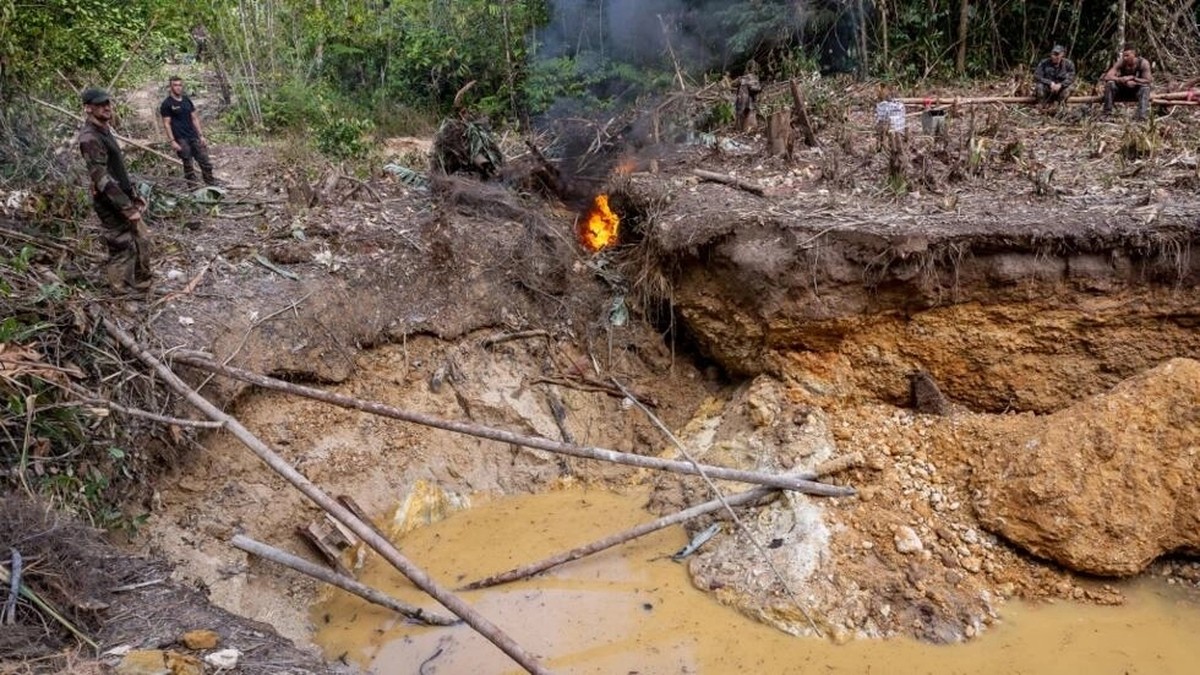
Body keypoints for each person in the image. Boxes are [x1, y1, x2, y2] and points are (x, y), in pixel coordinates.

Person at [77, 88, 152, 292]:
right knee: (121, 246)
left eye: (108, 103)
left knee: (141, 239)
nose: (107, 107)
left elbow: (115, 169)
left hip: (122, 196)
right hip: (110, 202)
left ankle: (140, 283)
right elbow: (101, 178)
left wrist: (133, 195)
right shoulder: (89, 138)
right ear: (88, 108)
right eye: (100, 104)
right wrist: (127, 208)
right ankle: (121, 290)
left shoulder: (104, 130)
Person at [159, 76, 217, 186]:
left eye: (180, 85)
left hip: (193, 135)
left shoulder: (186, 100)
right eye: (175, 85)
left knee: (204, 160)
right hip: (180, 138)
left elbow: (194, 118)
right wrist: (172, 141)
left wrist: (201, 135)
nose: (178, 87)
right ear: (170, 87)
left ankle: (211, 183)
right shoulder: (167, 104)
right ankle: (193, 187)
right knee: (188, 163)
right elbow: (166, 124)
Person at [1102, 45, 1152, 120]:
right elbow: (1107, 76)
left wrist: (1134, 79)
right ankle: (1107, 114)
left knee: (1145, 88)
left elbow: (1148, 80)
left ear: (1133, 54)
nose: (1125, 58)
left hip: (1136, 91)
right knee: (1110, 84)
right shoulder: (1121, 62)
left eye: (1127, 56)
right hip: (1122, 90)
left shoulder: (1143, 63)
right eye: (1124, 56)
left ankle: (1141, 116)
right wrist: (1121, 79)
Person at [1033, 45, 1075, 111]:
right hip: (1047, 88)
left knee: (1069, 88)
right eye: (1052, 54)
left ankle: (1058, 105)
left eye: (1056, 54)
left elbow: (1071, 78)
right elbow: (1037, 76)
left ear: (1062, 55)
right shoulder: (1044, 63)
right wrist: (1050, 83)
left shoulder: (1069, 64)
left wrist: (1060, 85)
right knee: (1039, 86)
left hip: (1061, 89)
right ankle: (1042, 104)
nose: (1054, 56)